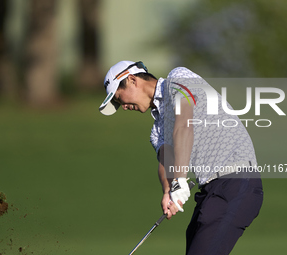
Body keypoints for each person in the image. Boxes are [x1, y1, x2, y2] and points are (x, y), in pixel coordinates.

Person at [99, 60, 263, 255]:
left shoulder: (178, 78)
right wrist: (168, 191)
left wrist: (179, 179)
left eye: (119, 98)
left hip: (236, 181)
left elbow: (185, 122)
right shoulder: (157, 130)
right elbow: (165, 162)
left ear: (133, 80)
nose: (123, 107)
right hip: (211, 190)